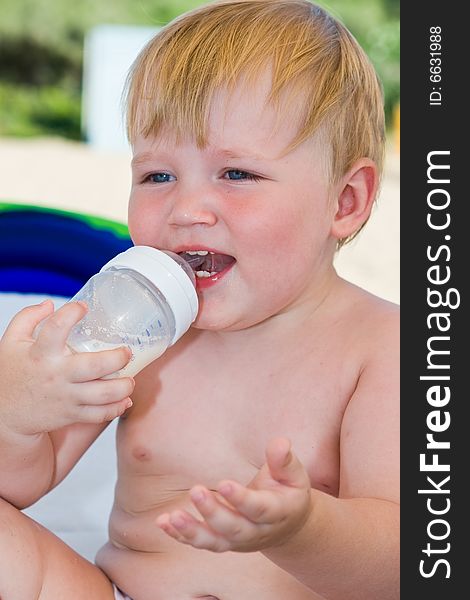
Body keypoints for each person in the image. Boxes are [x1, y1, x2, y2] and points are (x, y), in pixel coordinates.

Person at [0, 1, 399, 598]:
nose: (185, 210)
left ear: (344, 202)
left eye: (236, 174)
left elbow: (407, 561)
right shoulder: (139, 329)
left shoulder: (381, 349)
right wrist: (20, 410)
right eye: (157, 176)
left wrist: (303, 530)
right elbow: (21, 483)